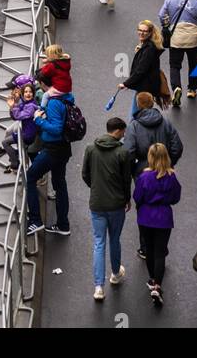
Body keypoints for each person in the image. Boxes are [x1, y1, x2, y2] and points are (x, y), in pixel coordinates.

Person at [81, 116, 132, 300]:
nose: (124, 134)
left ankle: (98, 287)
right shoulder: (122, 153)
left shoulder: (90, 149)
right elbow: (127, 180)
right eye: (123, 131)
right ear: (117, 131)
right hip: (116, 204)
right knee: (114, 239)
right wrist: (127, 199)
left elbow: (85, 174)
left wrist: (95, 188)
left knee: (98, 242)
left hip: (97, 203)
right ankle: (116, 273)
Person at [133, 142, 181, 307]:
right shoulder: (171, 176)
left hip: (146, 217)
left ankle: (152, 278)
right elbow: (175, 198)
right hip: (164, 218)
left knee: (150, 250)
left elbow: (137, 196)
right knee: (160, 252)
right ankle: (157, 285)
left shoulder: (144, 177)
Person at [25, 87, 74, 238]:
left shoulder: (54, 103)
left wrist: (38, 120)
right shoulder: (66, 97)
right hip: (64, 148)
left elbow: (56, 129)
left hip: (52, 150)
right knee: (60, 184)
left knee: (30, 177)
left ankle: (35, 220)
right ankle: (62, 224)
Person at [158, 0, 197, 106]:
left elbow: (161, 15)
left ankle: (176, 87)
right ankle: (192, 89)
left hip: (177, 37)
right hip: (193, 38)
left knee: (175, 65)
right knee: (193, 64)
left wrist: (166, 24)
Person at [116, 21, 165, 110]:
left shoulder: (149, 48)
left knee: (136, 115)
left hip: (145, 87)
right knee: (142, 114)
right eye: (139, 30)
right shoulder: (147, 46)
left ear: (150, 33)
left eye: (145, 31)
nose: (141, 33)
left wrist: (126, 83)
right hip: (145, 85)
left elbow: (141, 70)